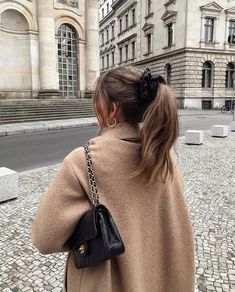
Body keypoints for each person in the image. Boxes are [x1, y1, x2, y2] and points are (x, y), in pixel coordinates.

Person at [31, 66, 195, 292]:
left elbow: (44, 239)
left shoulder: (83, 161)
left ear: (113, 109)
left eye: (97, 101)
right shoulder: (164, 158)